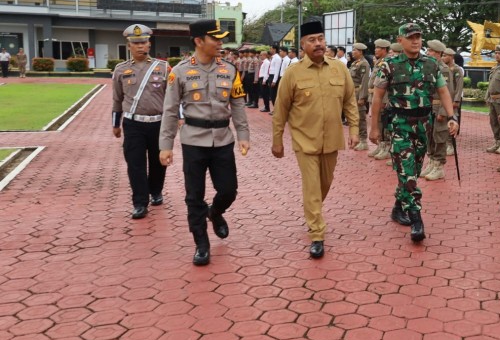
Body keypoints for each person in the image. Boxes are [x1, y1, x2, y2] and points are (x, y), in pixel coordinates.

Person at [159, 19, 250, 266]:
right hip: (193, 141)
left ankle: (216, 213)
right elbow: (169, 110)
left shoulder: (230, 70)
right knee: (194, 195)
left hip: (223, 140)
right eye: (215, 38)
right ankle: (201, 243)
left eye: (221, 39)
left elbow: (238, 104)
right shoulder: (178, 72)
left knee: (228, 190)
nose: (220, 43)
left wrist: (243, 135)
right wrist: (165, 145)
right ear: (199, 41)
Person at [271, 21, 359, 258]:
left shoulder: (339, 69)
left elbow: (350, 101)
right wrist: (277, 139)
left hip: (331, 139)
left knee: (324, 183)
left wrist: (353, 130)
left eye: (321, 38)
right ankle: (317, 233)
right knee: (311, 187)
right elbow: (281, 109)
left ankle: (313, 212)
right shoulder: (293, 73)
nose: (318, 43)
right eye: (312, 40)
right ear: (302, 45)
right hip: (304, 140)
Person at [370, 23, 458, 242]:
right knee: (408, 173)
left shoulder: (431, 64)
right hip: (399, 124)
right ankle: (416, 219)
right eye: (411, 37)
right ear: (400, 40)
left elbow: (443, 91)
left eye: (418, 37)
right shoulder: (388, 65)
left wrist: (451, 116)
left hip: (423, 125)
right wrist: (374, 127)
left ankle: (397, 207)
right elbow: (378, 97)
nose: (416, 41)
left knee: (412, 170)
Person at [111, 24, 170, 219]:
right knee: (135, 164)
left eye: (143, 42)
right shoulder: (121, 70)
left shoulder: (162, 67)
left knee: (157, 162)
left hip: (157, 123)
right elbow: (117, 99)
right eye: (135, 43)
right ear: (128, 46)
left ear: (149, 44)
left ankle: (156, 191)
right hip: (133, 124)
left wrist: (176, 119)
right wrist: (115, 124)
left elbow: (172, 97)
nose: (139, 46)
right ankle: (139, 202)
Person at [419, 40, 453, 181]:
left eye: (431, 51)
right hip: (429, 107)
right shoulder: (430, 67)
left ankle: (439, 166)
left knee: (439, 137)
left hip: (439, 107)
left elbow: (448, 92)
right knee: (430, 136)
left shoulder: (443, 69)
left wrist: (443, 112)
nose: (428, 53)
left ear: (438, 53)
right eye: (427, 50)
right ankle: (432, 162)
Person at [367, 39, 391, 160]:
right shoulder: (379, 62)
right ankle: (381, 145)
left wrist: (384, 101)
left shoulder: (386, 62)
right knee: (380, 123)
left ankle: (386, 147)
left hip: (383, 99)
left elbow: (386, 86)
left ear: (385, 50)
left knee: (384, 123)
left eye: (378, 48)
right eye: (375, 48)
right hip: (375, 96)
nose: (375, 50)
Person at [348, 43, 371, 151]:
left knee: (361, 118)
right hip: (352, 93)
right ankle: (358, 139)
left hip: (358, 93)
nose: (353, 52)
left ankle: (363, 140)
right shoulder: (355, 63)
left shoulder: (364, 64)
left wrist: (362, 97)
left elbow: (365, 81)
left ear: (361, 52)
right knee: (355, 117)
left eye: (355, 50)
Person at [442, 47, 463, 158]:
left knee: (452, 121)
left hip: (452, 99)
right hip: (445, 100)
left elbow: (459, 86)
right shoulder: (444, 69)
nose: (443, 57)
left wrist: (456, 100)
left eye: (445, 55)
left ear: (451, 57)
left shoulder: (457, 69)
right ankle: (446, 143)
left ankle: (451, 145)